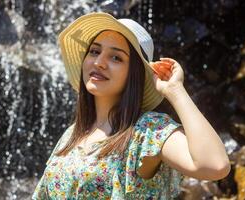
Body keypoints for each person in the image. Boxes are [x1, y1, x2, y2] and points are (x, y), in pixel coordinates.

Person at [32, 12, 231, 199]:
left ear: (134, 74)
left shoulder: (146, 131)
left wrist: (176, 91)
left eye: (116, 57)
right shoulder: (72, 135)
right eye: (94, 51)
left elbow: (215, 165)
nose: (99, 62)